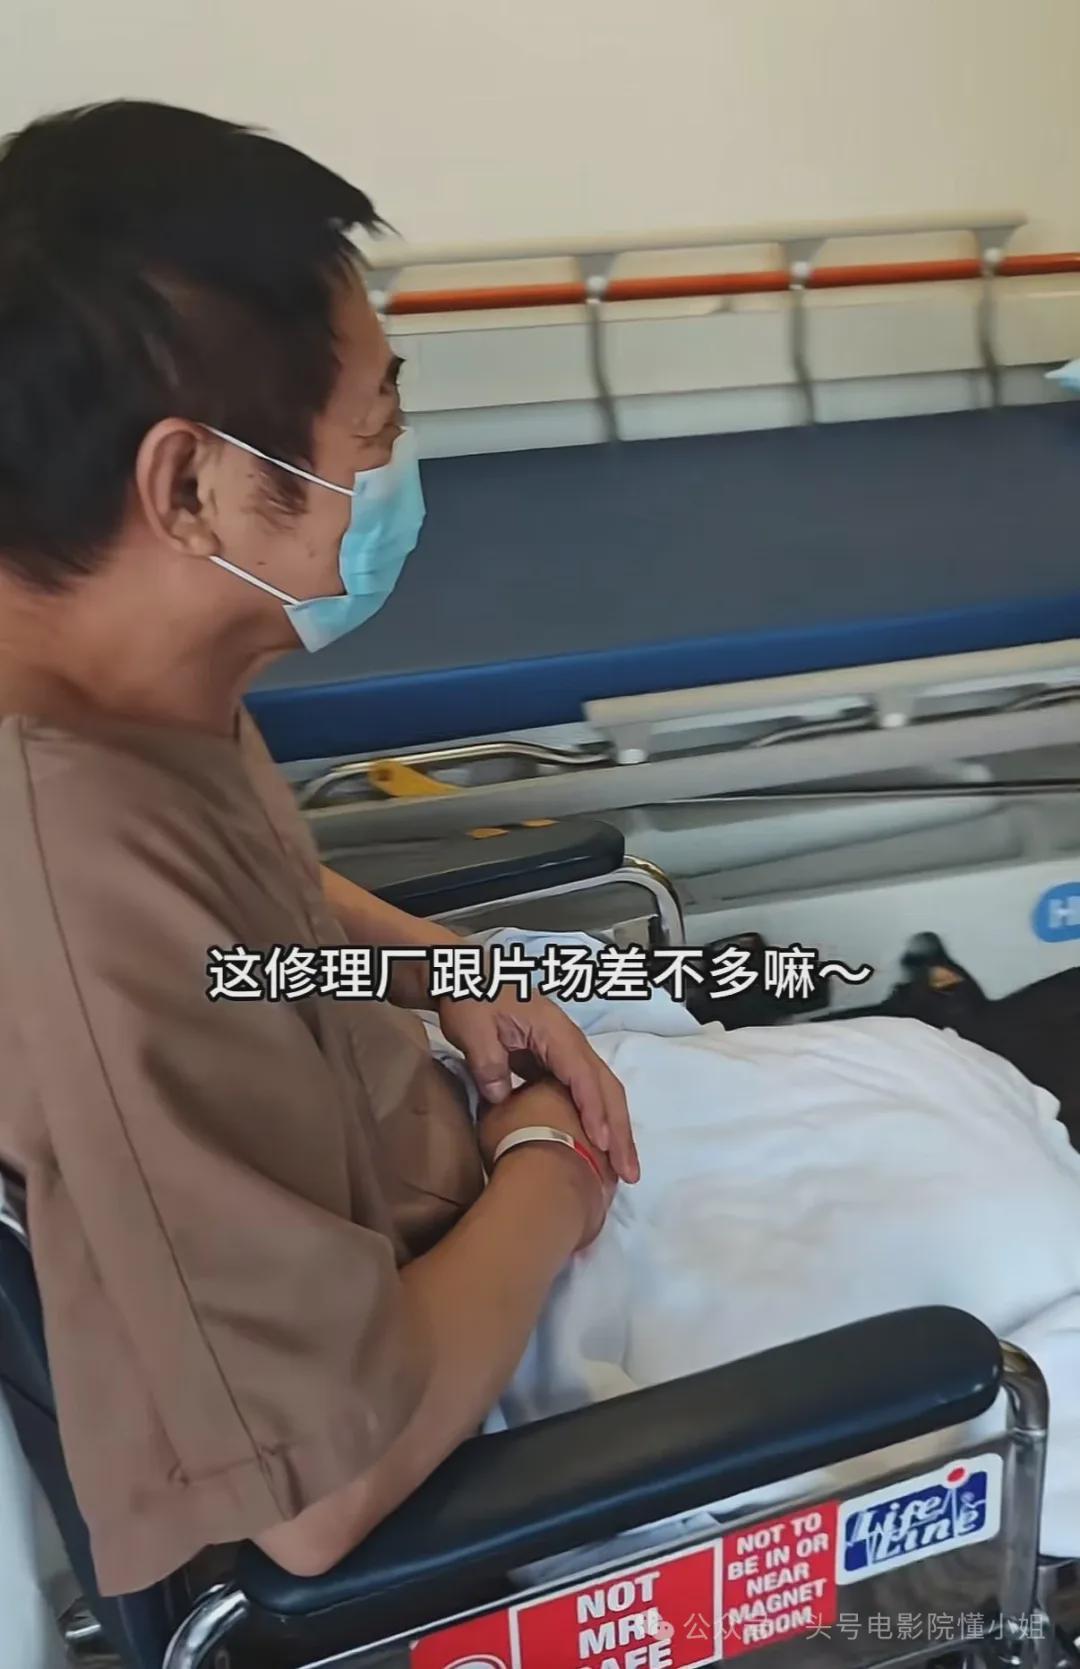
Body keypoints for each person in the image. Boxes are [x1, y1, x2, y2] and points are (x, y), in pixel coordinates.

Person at [0, 99, 636, 1597]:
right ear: (193, 488)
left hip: (435, 1148)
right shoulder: (74, 889)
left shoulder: (118, 674)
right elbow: (321, 1496)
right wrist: (552, 1164)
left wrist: (436, 965)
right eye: (377, 432)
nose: (396, 472)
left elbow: (244, 899)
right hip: (449, 1362)